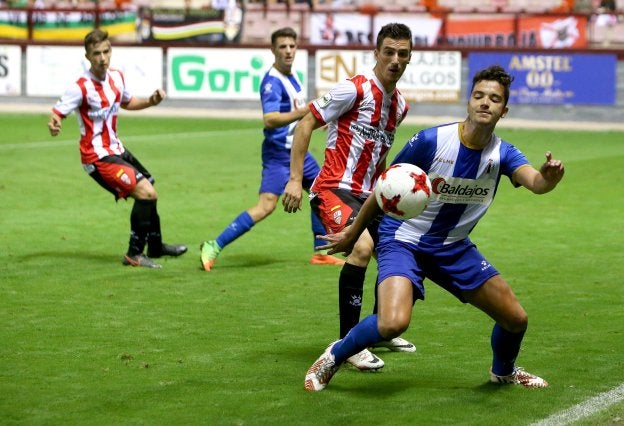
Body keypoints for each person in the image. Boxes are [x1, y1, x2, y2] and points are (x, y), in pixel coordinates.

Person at [303, 65, 566, 391]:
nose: (485, 103)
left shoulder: (503, 154)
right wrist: (354, 231)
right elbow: (385, 187)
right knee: (393, 323)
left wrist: (548, 179)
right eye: (479, 96)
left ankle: (504, 371)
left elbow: (535, 182)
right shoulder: (431, 140)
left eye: (494, 99)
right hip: (404, 239)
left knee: (516, 320)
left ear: (504, 110)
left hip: (453, 246)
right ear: (468, 102)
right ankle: (335, 354)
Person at [282, 22, 417, 372]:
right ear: (376, 53)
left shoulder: (400, 105)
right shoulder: (352, 89)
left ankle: (380, 327)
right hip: (334, 188)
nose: (395, 59)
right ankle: (349, 343)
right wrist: (295, 179)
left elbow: (380, 154)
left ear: (409, 58)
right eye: (389, 52)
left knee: (397, 248)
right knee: (361, 248)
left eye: (403, 54)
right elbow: (305, 123)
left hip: (372, 196)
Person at [199, 27, 344, 272]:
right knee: (266, 206)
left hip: (299, 151)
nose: (288, 51)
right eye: (283, 47)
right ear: (273, 50)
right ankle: (214, 244)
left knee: (322, 190)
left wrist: (315, 119)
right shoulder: (272, 82)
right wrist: (307, 111)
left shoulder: (293, 75)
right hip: (279, 154)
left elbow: (302, 113)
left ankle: (320, 253)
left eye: (291, 46)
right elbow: (270, 119)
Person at [47, 29, 187, 269]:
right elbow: (57, 113)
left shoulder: (117, 77)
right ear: (88, 56)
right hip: (96, 157)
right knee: (146, 194)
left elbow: (127, 101)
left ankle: (155, 246)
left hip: (116, 148)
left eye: (106, 51)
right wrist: (55, 123)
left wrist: (150, 101)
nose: (102, 58)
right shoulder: (81, 87)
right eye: (97, 53)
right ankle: (134, 253)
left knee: (149, 187)